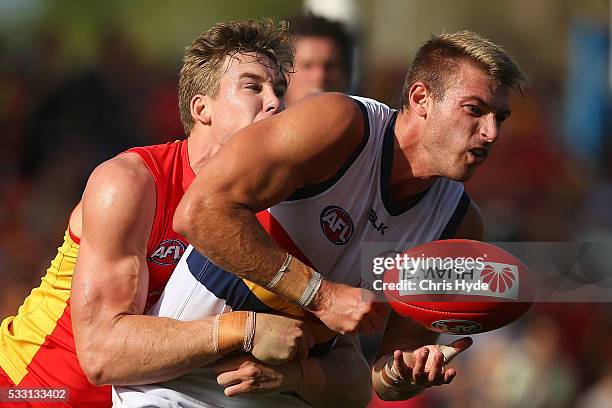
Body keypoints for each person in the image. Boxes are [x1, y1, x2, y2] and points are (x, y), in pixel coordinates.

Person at [0, 19, 365, 407]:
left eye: (278, 90)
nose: (275, 102)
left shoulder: (287, 207)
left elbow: (353, 375)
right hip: (30, 391)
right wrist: (244, 328)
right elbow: (101, 357)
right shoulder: (132, 183)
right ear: (201, 108)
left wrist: (304, 375)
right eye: (252, 86)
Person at [172, 30, 527, 402]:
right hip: (179, 381)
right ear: (421, 98)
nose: (491, 133)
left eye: (499, 117)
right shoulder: (340, 125)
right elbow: (199, 214)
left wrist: (406, 371)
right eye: (474, 110)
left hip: (283, 397)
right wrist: (321, 296)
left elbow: (385, 376)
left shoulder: (459, 225)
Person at [284, 13, 354, 106]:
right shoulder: (261, 119)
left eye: (330, 66)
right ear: (283, 74)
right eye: (307, 65)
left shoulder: (375, 118)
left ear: (347, 73)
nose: (320, 76)